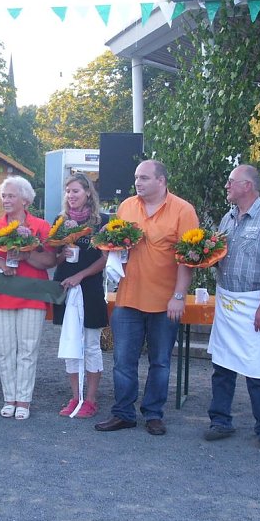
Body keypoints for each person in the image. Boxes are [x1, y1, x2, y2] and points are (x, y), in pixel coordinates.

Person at [94, 160, 198, 436]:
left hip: (166, 301)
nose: (138, 182)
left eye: (144, 178)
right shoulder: (127, 206)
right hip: (128, 298)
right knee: (123, 361)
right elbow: (117, 246)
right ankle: (123, 413)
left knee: (160, 362)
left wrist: (179, 296)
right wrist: (107, 241)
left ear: (161, 181)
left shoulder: (183, 210)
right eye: (136, 177)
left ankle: (153, 414)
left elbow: (188, 259)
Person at [204, 164, 260, 452]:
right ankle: (220, 420)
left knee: (257, 367)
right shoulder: (227, 218)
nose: (227, 186)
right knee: (222, 365)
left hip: (254, 302)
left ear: (247, 186)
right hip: (227, 301)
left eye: (231, 182)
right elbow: (218, 255)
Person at [0, 176, 56, 420]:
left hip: (32, 295)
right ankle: (8, 398)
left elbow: (50, 261)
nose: (6, 200)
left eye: (11, 196)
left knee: (28, 349)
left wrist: (25, 256)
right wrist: (1, 262)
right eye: (4, 196)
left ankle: (24, 400)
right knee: (4, 350)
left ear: (25, 199)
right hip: (0, 295)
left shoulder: (41, 226)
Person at [52, 173, 108, 418]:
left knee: (92, 346)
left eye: (75, 191)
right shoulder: (60, 221)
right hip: (65, 288)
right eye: (68, 191)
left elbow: (106, 259)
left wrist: (81, 275)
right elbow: (52, 259)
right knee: (70, 344)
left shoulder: (102, 222)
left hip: (90, 289)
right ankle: (75, 397)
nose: (71, 196)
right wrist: (63, 254)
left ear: (88, 193)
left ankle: (91, 399)